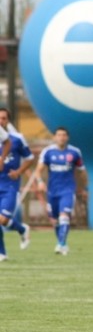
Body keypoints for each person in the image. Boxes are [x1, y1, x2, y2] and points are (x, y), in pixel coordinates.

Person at [33, 127, 89, 255]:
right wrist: (40, 182)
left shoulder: (75, 152)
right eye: (59, 135)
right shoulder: (47, 152)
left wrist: (84, 187)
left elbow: (82, 171)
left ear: (67, 137)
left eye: (64, 135)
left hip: (68, 190)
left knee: (64, 216)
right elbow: (38, 171)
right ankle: (62, 243)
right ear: (54, 137)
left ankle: (61, 244)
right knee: (54, 220)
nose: (61, 137)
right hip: (52, 191)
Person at [0, 108, 34, 261]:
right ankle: (2, 253)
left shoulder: (17, 138)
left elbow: (30, 158)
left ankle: (22, 229)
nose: (1, 121)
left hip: (10, 185)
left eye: (4, 118)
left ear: (8, 120)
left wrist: (18, 172)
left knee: (3, 220)